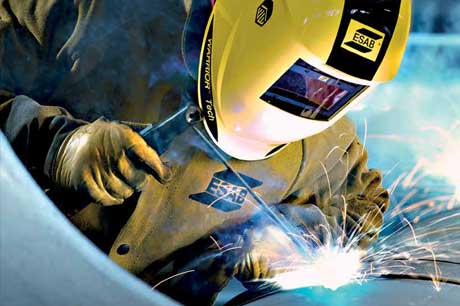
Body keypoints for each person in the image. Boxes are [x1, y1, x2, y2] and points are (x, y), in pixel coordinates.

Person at [0, 0, 411, 305]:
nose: (308, 97)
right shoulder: (93, 16)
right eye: (296, 78)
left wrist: (303, 235)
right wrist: (52, 142)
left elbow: (361, 206)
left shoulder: (325, 138)